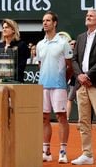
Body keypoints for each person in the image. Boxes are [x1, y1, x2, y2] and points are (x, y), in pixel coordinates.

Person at [70, 9, 96, 166]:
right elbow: (74, 60)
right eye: (87, 15)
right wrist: (80, 76)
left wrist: (88, 76)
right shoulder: (80, 37)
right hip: (81, 85)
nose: (88, 17)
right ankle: (87, 154)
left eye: (91, 16)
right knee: (83, 121)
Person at [37, 11, 73, 163]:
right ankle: (46, 151)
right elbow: (40, 65)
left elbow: (69, 66)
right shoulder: (40, 44)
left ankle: (63, 151)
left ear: (55, 23)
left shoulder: (63, 43)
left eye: (48, 20)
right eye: (44, 20)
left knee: (61, 117)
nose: (45, 23)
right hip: (43, 86)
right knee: (44, 118)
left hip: (59, 86)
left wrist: (62, 81)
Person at [0, 19, 29, 83]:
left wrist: (6, 79)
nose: (4, 29)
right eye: (3, 28)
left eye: (6, 27)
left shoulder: (21, 45)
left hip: (15, 82)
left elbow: (21, 66)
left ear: (13, 30)